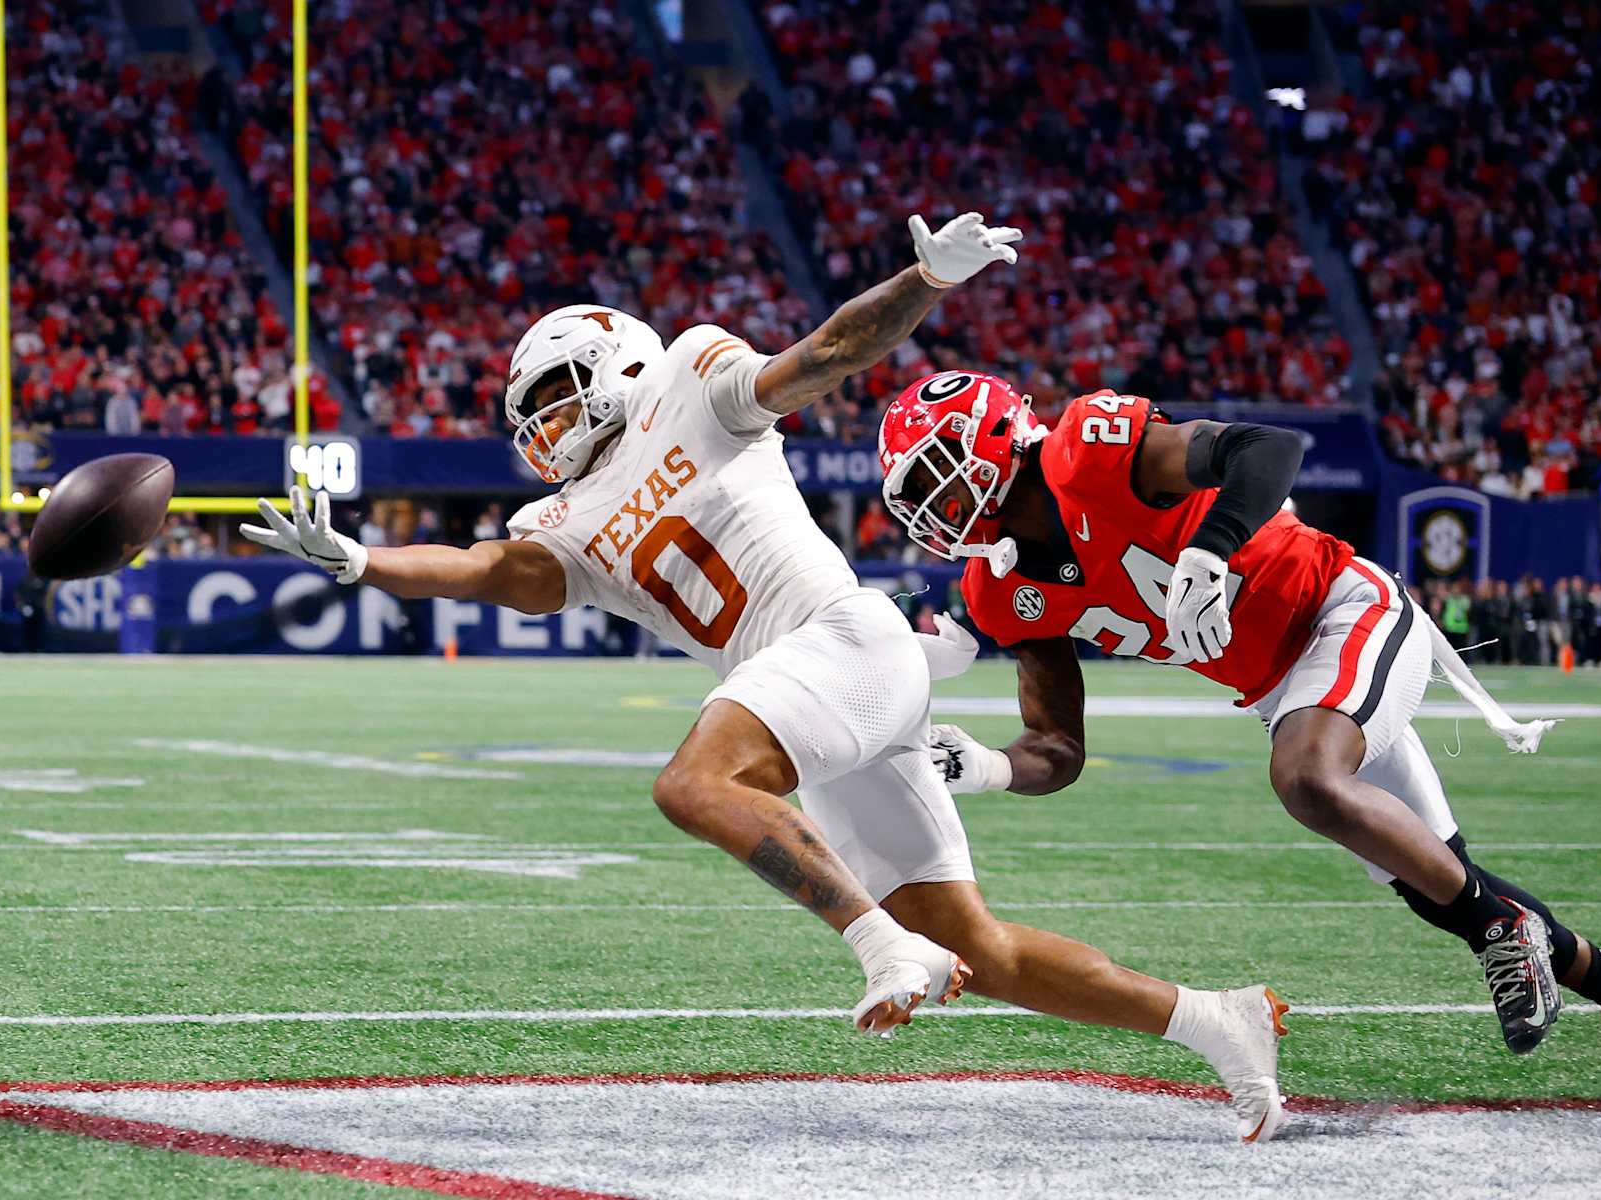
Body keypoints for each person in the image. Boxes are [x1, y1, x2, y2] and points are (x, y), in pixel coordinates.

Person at [243, 216, 1292, 1142]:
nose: (547, 425)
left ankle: (883, 950)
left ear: (614, 363)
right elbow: (489, 570)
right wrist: (362, 560)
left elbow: (828, 354)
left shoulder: (692, 380)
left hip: (840, 644)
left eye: (558, 394)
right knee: (977, 943)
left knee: (693, 785)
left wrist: (922, 282)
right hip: (812, 697)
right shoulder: (559, 519)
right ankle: (1216, 1018)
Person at [877, 373, 1601, 1104]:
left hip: (1345, 608)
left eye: (935, 480)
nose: (930, 512)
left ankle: (1503, 930)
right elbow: (1057, 747)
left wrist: (1211, 545)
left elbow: (1266, 448)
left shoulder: (1085, 450)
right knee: (1441, 884)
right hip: (1286, 687)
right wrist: (984, 765)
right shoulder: (1001, 589)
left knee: (1309, 782)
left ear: (989, 442)